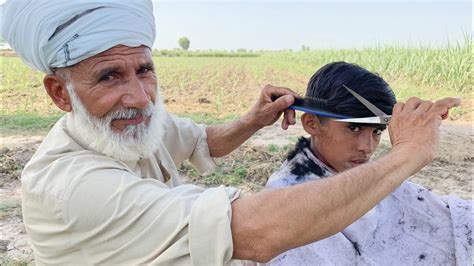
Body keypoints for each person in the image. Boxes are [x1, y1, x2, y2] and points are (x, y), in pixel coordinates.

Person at [1, 0, 462, 264]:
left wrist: (250, 121)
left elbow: (201, 140)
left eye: (145, 69)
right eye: (108, 76)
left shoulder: (130, 129)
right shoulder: (72, 186)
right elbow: (255, 231)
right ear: (60, 94)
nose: (140, 97)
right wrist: (407, 154)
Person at [266, 62, 472, 265]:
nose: (367, 147)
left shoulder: (373, 176)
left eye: (377, 131)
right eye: (354, 128)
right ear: (312, 124)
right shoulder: (285, 199)